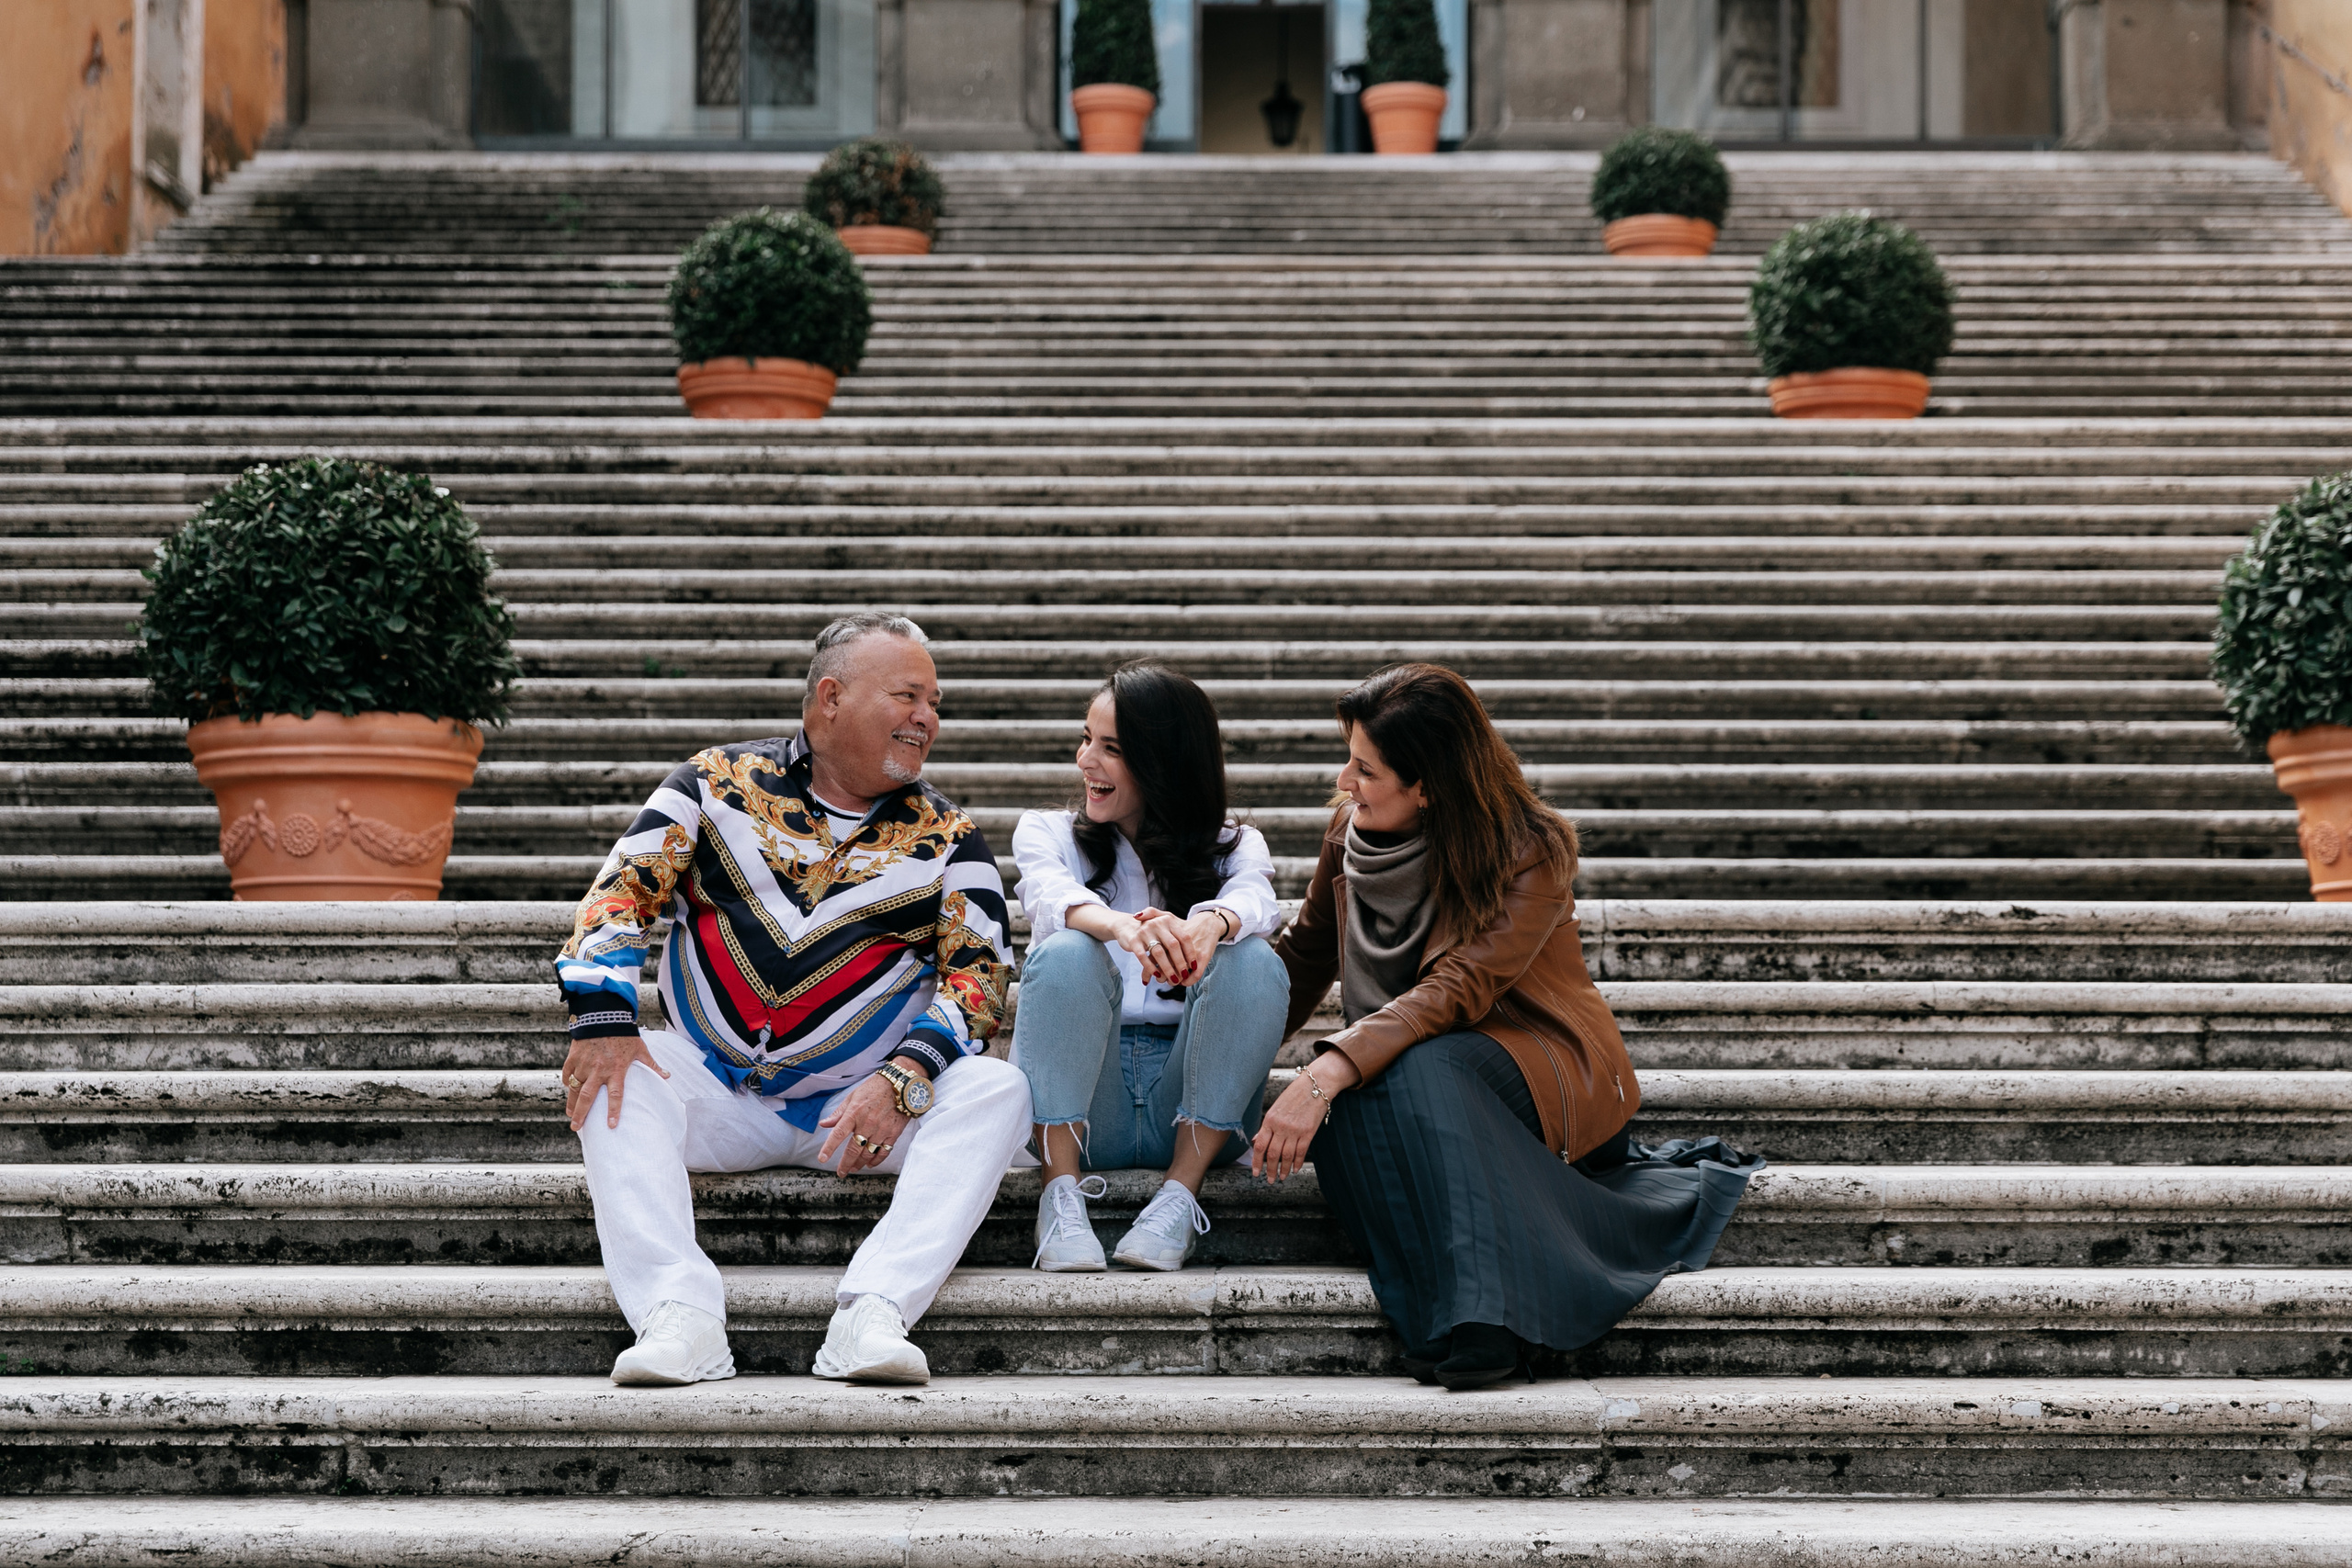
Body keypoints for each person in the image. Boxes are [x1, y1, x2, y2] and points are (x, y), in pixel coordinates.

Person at [554, 612, 1030, 1389]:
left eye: (936, 704)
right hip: (714, 1086)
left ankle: (874, 1312)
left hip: (863, 1114)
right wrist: (603, 1015)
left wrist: (903, 1076)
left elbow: (980, 981)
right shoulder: (712, 785)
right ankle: (679, 1316)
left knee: (998, 1088)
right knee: (619, 1071)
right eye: (909, 696)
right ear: (831, 698)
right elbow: (620, 894)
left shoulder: (949, 838)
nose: (928, 718)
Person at [1256, 663, 1761, 1391]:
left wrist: (1325, 1067)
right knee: (1351, 1111)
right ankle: (1437, 1316)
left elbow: (1459, 988)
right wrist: (1220, 1067)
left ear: (1426, 785)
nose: (1344, 781)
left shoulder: (1531, 846)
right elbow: (1303, 958)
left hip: (1539, 1066)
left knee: (1413, 1066)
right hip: (1411, 1074)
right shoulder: (1350, 833)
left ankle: (1491, 1319)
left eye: (1365, 768)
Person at [1010, 660, 1290, 1271]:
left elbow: (1258, 901)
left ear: (1163, 762)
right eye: (1086, 738)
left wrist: (1206, 925)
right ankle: (1060, 1196)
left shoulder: (1236, 843)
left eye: (1111, 748)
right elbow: (1049, 894)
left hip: (1196, 1101)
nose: (1087, 760)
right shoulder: (1048, 831)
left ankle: (1177, 1197)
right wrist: (1121, 928)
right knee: (1064, 948)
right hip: (1089, 1098)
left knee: (1252, 956)